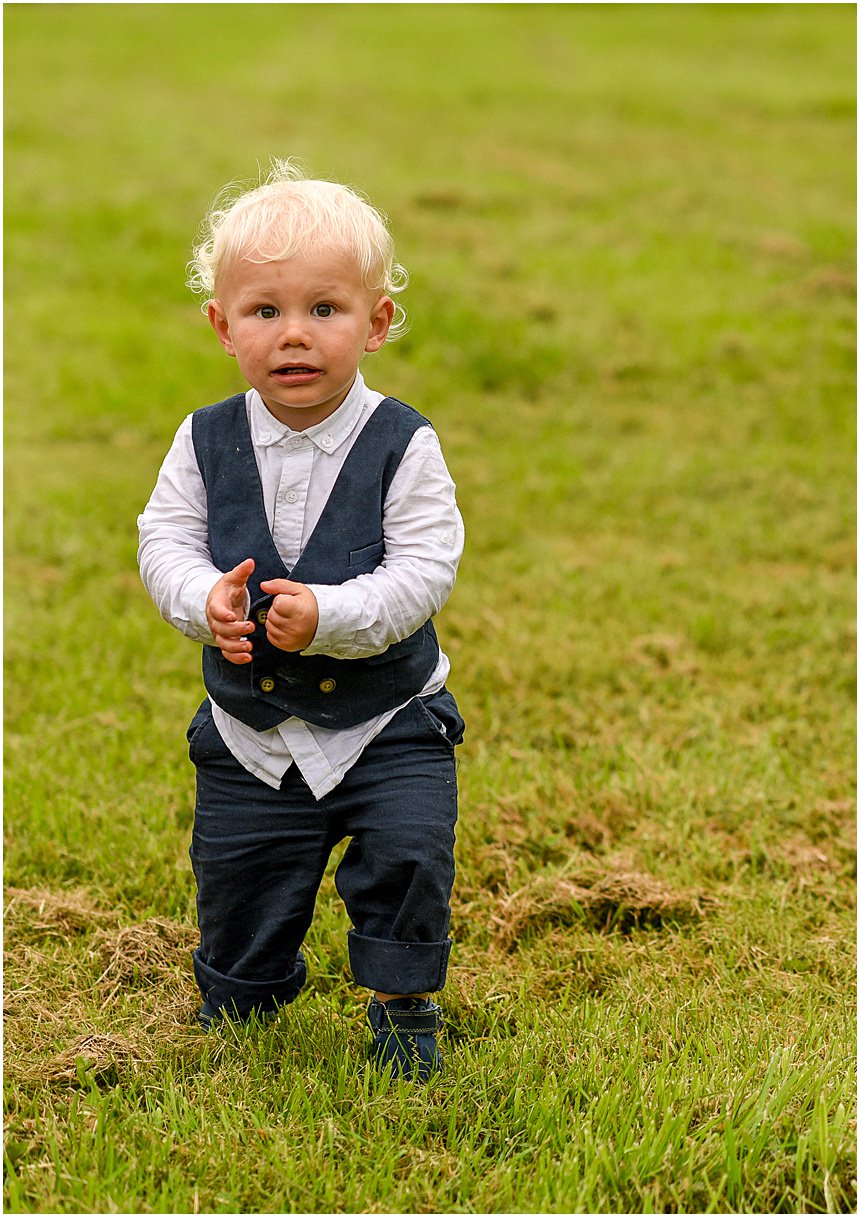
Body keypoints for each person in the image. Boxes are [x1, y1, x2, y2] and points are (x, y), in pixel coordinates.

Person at [137, 161, 465, 1080]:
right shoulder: (203, 439)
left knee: (408, 853)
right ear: (222, 325)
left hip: (386, 721)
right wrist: (203, 598)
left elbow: (424, 570)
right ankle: (244, 991)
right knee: (239, 880)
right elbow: (163, 540)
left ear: (377, 322)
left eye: (325, 309)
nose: (295, 336)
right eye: (265, 312)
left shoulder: (404, 442)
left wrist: (327, 614)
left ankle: (403, 1004)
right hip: (251, 729)